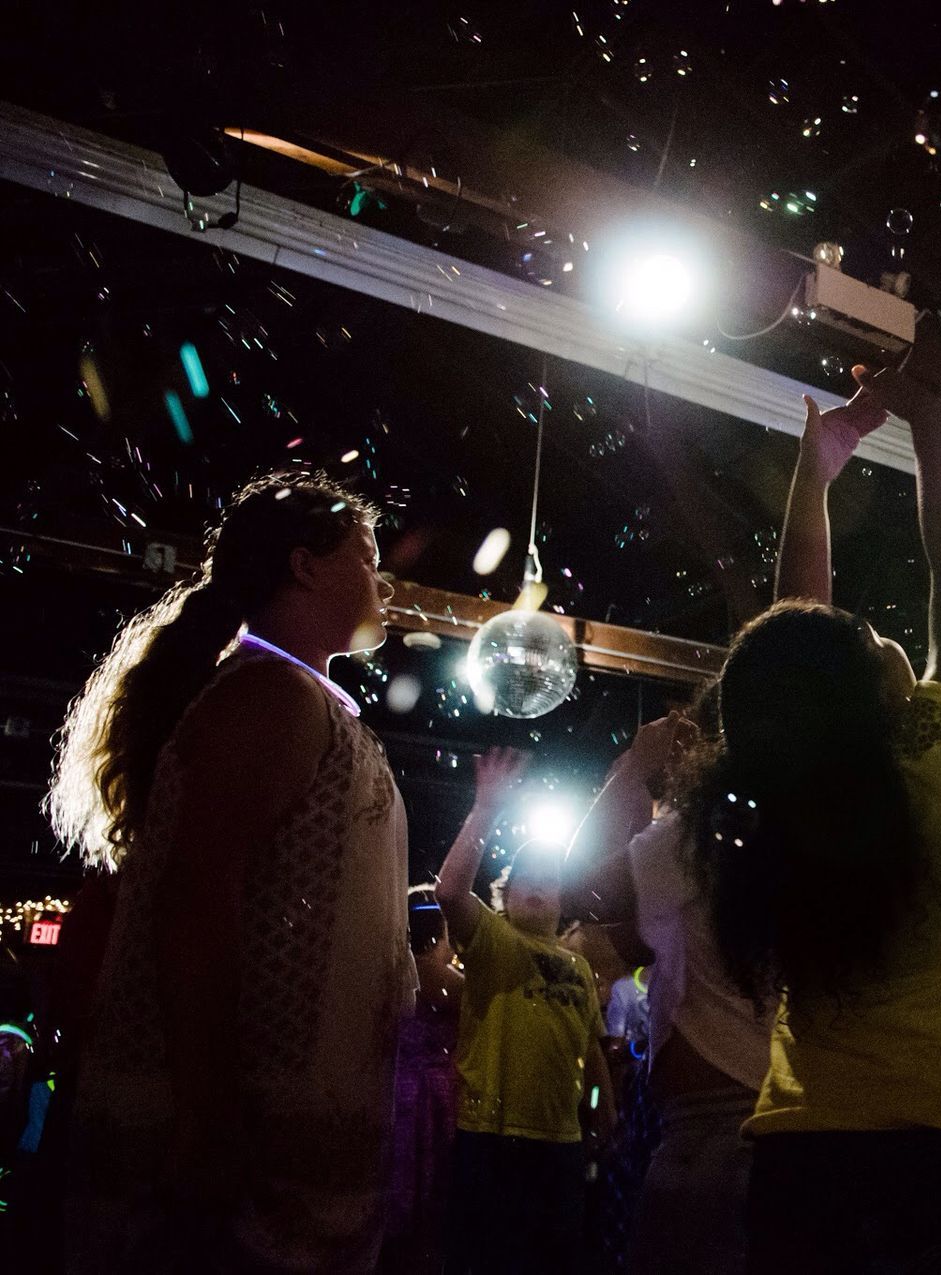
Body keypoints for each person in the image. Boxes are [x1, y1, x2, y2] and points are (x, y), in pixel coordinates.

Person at [689, 360, 941, 1273]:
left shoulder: (780, 797)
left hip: (809, 1157)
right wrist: (934, 432)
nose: (878, 628)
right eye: (870, 636)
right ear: (873, 688)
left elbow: (793, 648)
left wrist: (819, 470)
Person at [51, 473, 411, 1273]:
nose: (383, 582)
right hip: (242, 1178)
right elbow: (193, 902)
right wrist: (207, 1118)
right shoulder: (271, 698)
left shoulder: (299, 698)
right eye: (366, 557)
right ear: (305, 566)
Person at [572, 711, 772, 1275]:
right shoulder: (790, 832)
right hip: (770, 1123)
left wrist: (635, 767)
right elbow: (624, 942)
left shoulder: (697, 833)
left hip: (713, 1134)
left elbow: (581, 887)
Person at [436, 747, 616, 1275]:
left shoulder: (579, 967)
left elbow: (590, 1051)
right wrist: (485, 808)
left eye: (549, 878)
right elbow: (450, 892)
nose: (538, 885)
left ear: (562, 899)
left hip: (562, 1143)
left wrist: (603, 1110)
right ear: (505, 895)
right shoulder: (495, 940)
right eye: (526, 878)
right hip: (494, 1139)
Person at [379, 885, 464, 1273]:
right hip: (430, 1097)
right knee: (426, 1201)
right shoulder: (431, 973)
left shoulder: (391, 967)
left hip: (395, 1088)